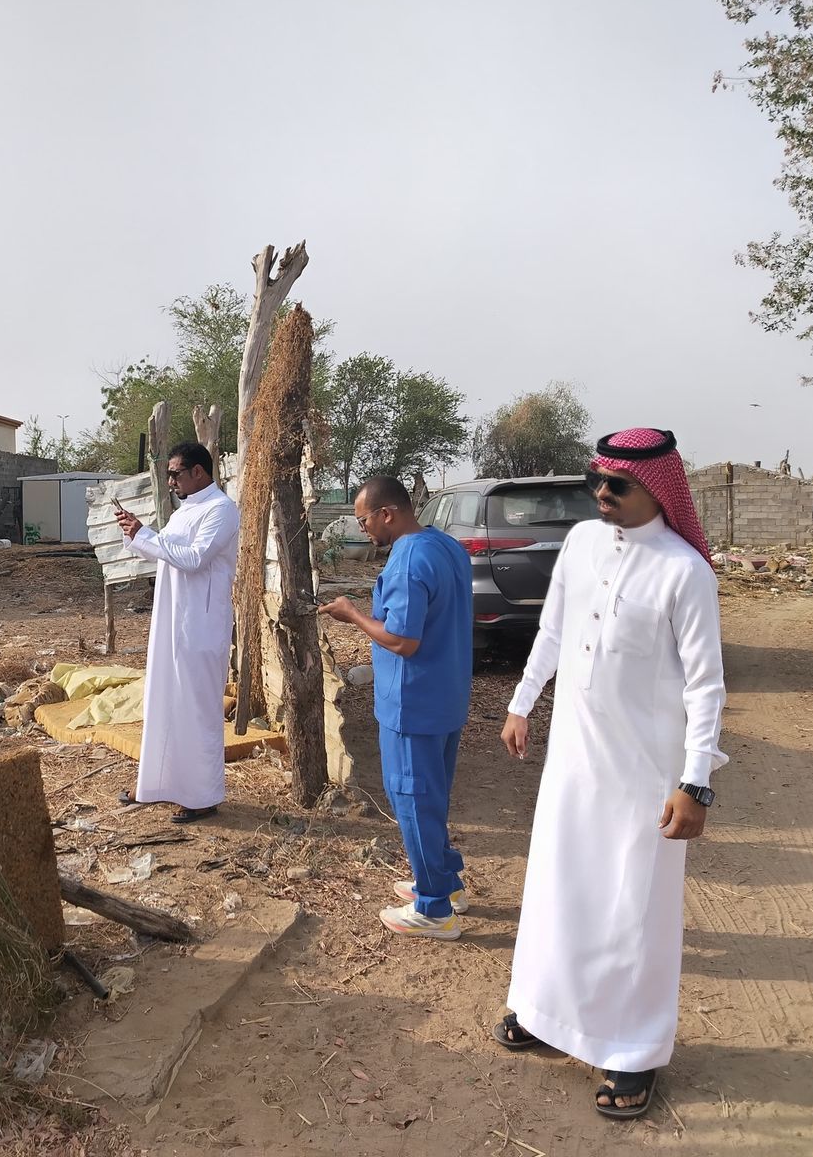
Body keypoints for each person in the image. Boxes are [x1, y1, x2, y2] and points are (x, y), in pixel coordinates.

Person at [493, 428, 727, 1120]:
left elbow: (706, 687)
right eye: (596, 480)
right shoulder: (581, 543)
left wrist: (695, 782)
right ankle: (546, 1012)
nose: (601, 493)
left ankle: (633, 1050)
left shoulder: (685, 572)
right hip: (574, 759)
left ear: (656, 489)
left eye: (616, 485)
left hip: (644, 773)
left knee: (632, 909)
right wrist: (521, 702)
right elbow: (555, 630)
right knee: (560, 888)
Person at [319, 475, 474, 938]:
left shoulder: (407, 561)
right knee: (431, 796)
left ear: (387, 513)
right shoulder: (446, 546)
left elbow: (403, 640)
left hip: (412, 702)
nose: (362, 529)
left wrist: (353, 615)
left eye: (364, 520)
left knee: (411, 799)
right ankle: (445, 883)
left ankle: (434, 909)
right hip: (445, 695)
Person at [113, 442, 240, 824]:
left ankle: (202, 796)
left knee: (197, 710)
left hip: (200, 626)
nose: (170, 481)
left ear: (198, 472)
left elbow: (194, 558)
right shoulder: (185, 511)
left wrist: (147, 535)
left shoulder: (221, 509)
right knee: (164, 702)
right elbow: (161, 552)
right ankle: (156, 786)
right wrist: (135, 533)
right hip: (171, 623)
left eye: (175, 474)